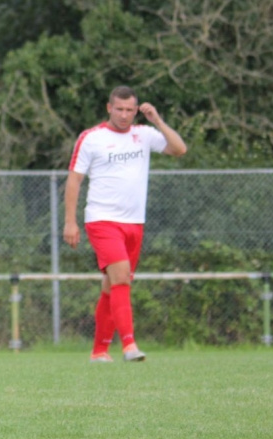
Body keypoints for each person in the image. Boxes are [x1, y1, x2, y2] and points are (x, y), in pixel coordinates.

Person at [63, 86, 186, 363]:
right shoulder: (91, 138)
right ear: (109, 108)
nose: (124, 114)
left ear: (136, 110)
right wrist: (70, 222)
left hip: (134, 223)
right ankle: (129, 345)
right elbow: (74, 180)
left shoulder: (143, 134)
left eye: (130, 110)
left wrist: (157, 120)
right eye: (119, 109)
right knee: (120, 278)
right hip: (102, 220)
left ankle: (99, 351)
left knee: (112, 286)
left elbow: (179, 149)